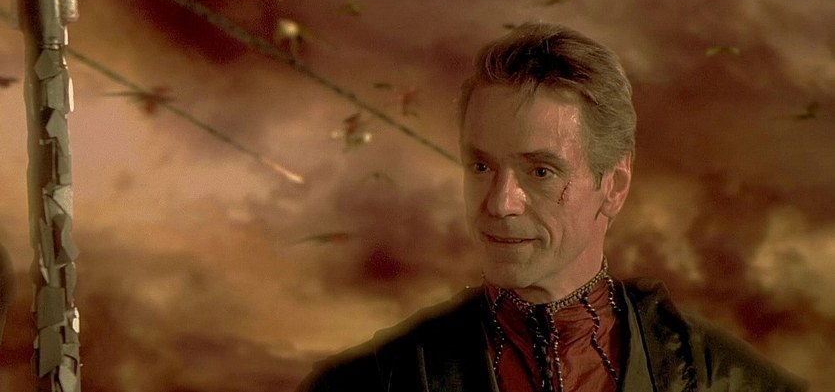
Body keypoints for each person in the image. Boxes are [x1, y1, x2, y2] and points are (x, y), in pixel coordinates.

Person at [296, 23, 807, 392]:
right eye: (481, 166)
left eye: (540, 172)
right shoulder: (374, 382)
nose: (499, 204)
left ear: (614, 184)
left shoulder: (728, 381)